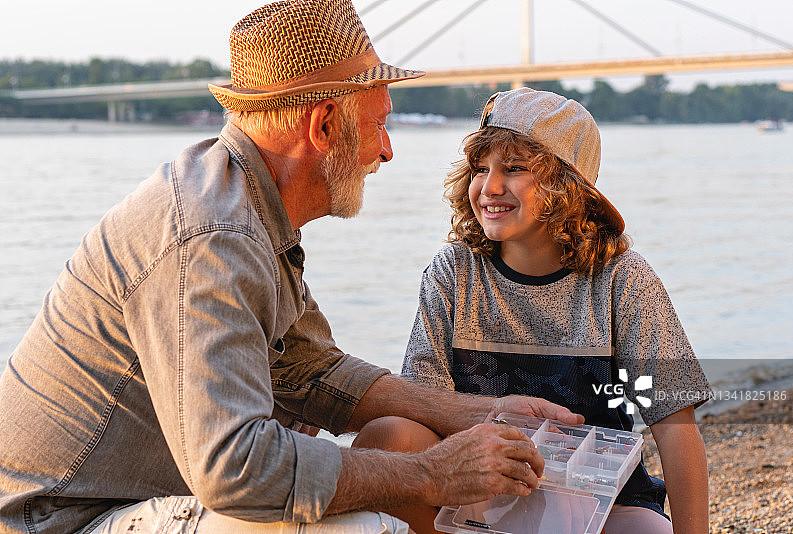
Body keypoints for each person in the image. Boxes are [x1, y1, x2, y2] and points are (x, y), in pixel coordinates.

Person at [0, 4, 584, 534]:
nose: (386, 150)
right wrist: (430, 474)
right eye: (379, 123)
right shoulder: (215, 237)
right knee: (363, 526)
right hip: (55, 519)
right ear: (325, 124)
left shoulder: (239, 201)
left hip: (109, 499)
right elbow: (235, 467)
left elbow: (309, 368)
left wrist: (475, 411)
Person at [395, 88, 712, 533]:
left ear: (566, 185)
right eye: (480, 169)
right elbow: (420, 406)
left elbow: (675, 428)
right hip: (477, 502)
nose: (489, 188)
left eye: (515, 169)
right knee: (389, 435)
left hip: (601, 505)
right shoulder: (453, 273)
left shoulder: (622, 279)